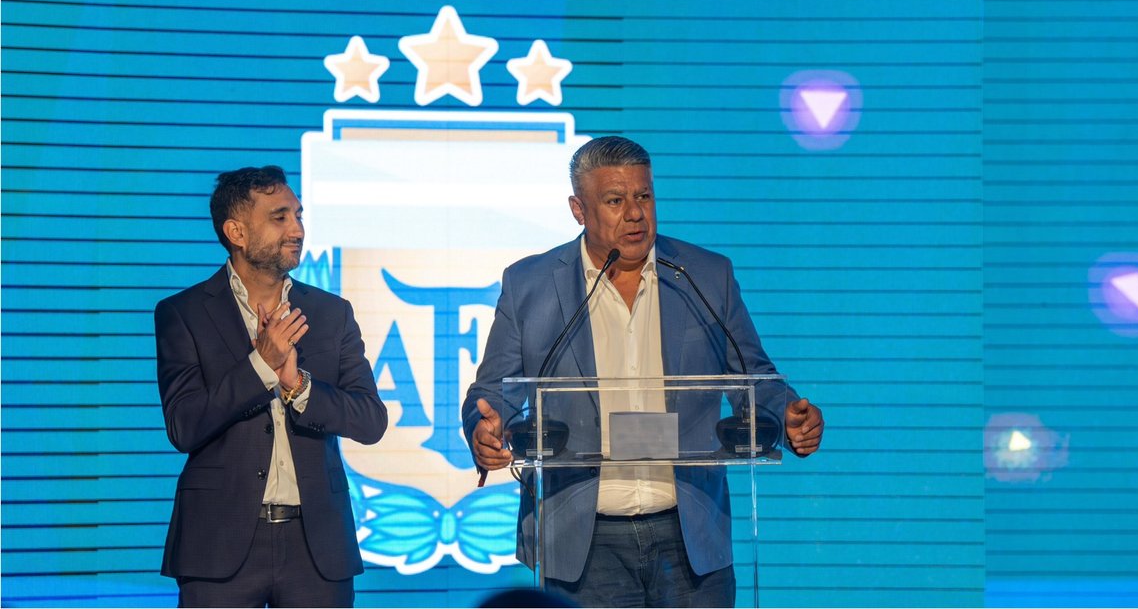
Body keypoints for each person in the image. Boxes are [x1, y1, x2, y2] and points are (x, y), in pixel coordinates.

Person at [462, 136, 824, 607]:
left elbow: (753, 377)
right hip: (582, 539)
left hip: (690, 533)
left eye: (644, 196)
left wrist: (788, 413)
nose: (635, 213)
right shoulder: (529, 284)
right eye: (615, 201)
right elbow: (492, 392)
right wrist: (483, 429)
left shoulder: (704, 275)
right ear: (579, 210)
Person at [155, 165, 387, 607]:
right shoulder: (183, 313)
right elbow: (184, 425)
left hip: (316, 547)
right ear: (237, 232)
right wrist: (261, 366)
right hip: (218, 544)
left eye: (298, 216)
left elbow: (371, 420)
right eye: (279, 217)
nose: (297, 229)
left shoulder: (331, 313)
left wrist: (297, 385)